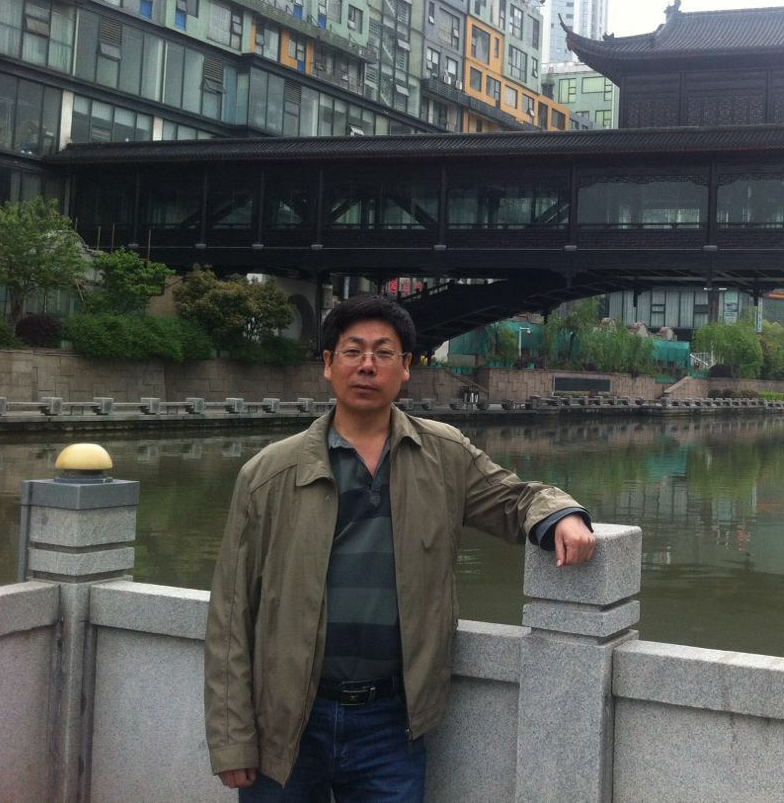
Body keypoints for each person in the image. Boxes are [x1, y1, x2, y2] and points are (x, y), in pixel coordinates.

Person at [204, 294, 595, 801]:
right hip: (284, 720)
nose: (367, 365)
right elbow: (231, 613)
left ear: (405, 366)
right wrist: (232, 740)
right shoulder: (268, 475)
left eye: (383, 353)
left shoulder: (443, 455)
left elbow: (516, 500)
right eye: (353, 351)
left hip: (391, 725)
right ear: (329, 364)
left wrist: (562, 515)